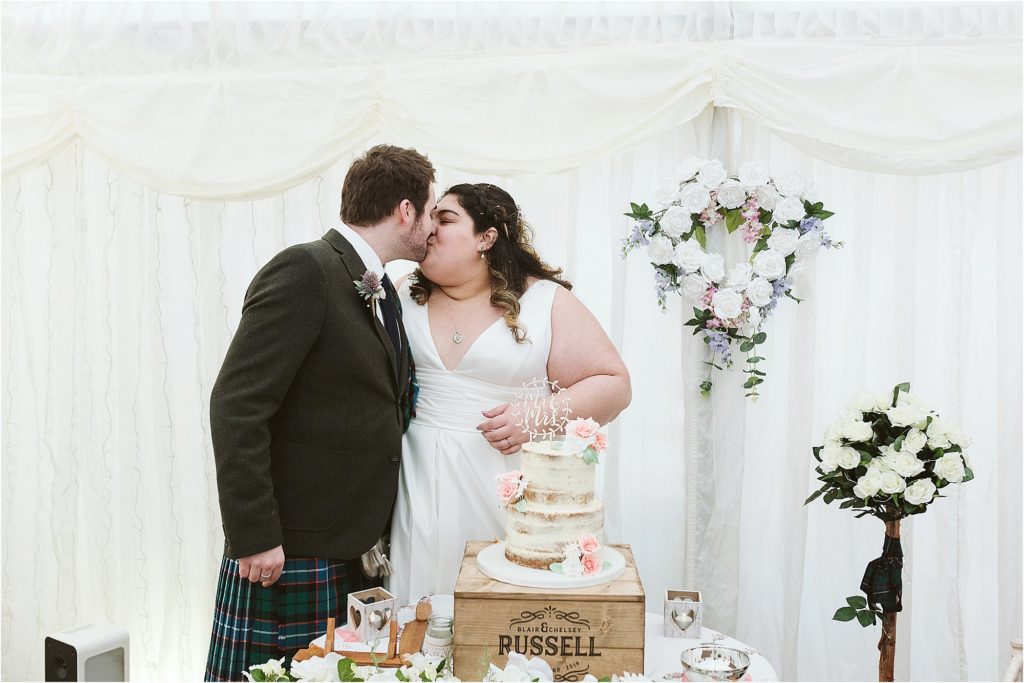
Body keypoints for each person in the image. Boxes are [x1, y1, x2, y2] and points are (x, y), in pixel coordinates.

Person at [205, 145, 435, 681]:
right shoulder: (306, 269)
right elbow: (236, 403)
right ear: (405, 211)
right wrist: (255, 532)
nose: (430, 227)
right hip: (290, 549)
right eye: (428, 212)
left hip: (347, 546)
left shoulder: (383, 293)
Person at [386, 183, 631, 603]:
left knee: (496, 606)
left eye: (445, 220)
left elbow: (614, 385)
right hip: (414, 479)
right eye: (431, 219)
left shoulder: (543, 302)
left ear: (486, 237)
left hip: (499, 480)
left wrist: (532, 418)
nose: (430, 229)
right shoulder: (403, 292)